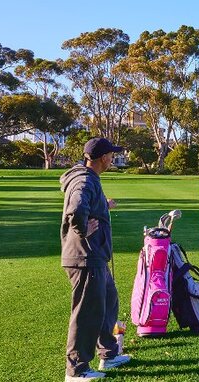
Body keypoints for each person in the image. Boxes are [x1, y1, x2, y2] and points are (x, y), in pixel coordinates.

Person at [60, 137, 130, 381]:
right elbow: (77, 207)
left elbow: (87, 205)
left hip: (95, 256)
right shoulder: (85, 179)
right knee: (87, 312)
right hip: (85, 257)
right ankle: (76, 370)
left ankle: (108, 354)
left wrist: (103, 206)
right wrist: (81, 229)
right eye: (111, 155)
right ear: (103, 158)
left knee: (108, 300)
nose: (113, 158)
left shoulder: (89, 179)